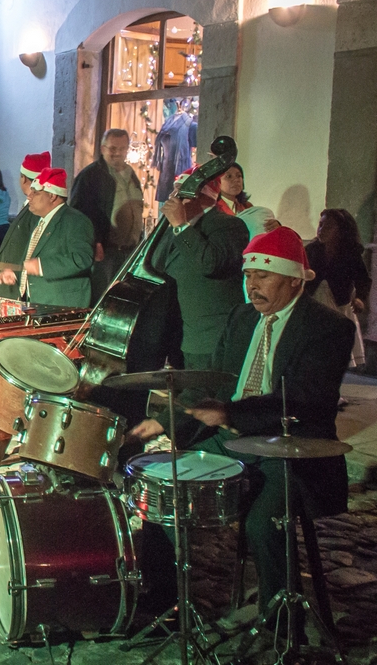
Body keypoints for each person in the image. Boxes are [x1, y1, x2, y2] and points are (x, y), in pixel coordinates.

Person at [130, 227, 355, 620]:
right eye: (248, 276)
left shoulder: (328, 327)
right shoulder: (241, 317)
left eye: (263, 276)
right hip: (230, 440)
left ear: (293, 279)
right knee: (162, 493)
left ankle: (281, 623)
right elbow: (214, 382)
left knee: (263, 523)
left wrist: (232, 414)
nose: (252, 286)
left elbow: (308, 399)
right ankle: (165, 601)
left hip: (290, 448)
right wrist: (167, 422)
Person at [148, 167, 250, 368]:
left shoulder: (229, 226)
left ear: (201, 196)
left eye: (180, 192)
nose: (173, 197)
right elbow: (155, 266)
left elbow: (210, 263)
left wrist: (181, 226)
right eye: (174, 190)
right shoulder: (174, 229)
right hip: (176, 338)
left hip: (209, 340)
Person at [0, 167, 95, 308]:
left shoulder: (76, 221)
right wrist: (17, 273)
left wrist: (42, 266)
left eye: (36, 193)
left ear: (52, 196)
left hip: (61, 306)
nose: (29, 196)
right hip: (36, 304)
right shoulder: (39, 222)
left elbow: (82, 259)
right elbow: (33, 259)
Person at [69, 128, 144, 301]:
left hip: (129, 251)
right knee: (102, 299)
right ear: (103, 149)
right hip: (105, 253)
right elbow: (78, 214)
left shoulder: (131, 174)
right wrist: (95, 241)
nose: (117, 153)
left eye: (122, 148)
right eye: (112, 148)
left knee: (123, 299)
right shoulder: (90, 176)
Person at [306, 208, 370, 366]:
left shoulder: (350, 254)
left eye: (328, 227)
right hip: (314, 302)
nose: (321, 230)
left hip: (338, 304)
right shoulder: (312, 250)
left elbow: (362, 279)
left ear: (341, 231)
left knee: (334, 342)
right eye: (320, 225)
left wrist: (360, 298)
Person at [0, 152, 51, 301]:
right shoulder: (30, 207)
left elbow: (31, 246)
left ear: (24, 178)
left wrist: (15, 269)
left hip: (15, 282)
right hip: (10, 279)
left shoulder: (36, 211)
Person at [215, 162, 279, 238]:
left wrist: (274, 226)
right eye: (229, 176)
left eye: (239, 176)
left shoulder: (247, 206)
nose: (236, 180)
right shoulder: (213, 209)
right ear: (216, 182)